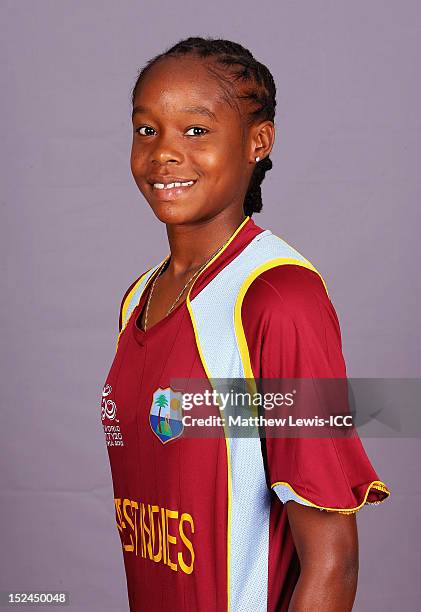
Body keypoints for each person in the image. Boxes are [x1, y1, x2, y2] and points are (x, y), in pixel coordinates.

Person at [100, 36, 390, 611]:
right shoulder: (139, 298)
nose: (164, 153)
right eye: (147, 129)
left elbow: (335, 562)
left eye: (196, 131)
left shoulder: (278, 298)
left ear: (259, 141)